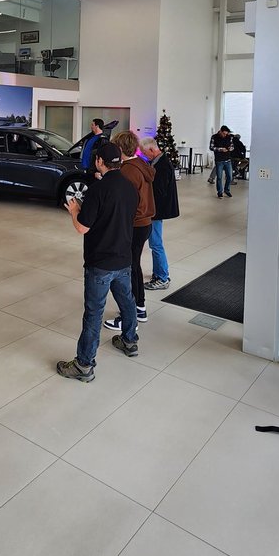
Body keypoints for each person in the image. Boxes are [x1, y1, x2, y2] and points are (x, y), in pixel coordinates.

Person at [57, 142, 139, 381]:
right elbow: (117, 216)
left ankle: (84, 365)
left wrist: (74, 210)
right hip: (124, 259)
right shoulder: (130, 187)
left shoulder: (97, 190)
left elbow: (83, 227)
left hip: (100, 262)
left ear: (100, 162)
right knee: (127, 302)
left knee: (94, 313)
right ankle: (129, 341)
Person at [104, 129, 155, 333]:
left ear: (119, 148)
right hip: (144, 224)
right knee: (134, 267)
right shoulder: (141, 164)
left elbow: (128, 202)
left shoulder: (128, 171)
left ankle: (129, 315)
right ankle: (139, 308)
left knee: (127, 270)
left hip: (134, 225)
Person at [140, 136, 179, 290]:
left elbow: (159, 191)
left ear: (152, 149)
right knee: (154, 243)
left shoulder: (162, 165)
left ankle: (162, 277)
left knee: (156, 244)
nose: (144, 155)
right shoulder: (157, 161)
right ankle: (159, 273)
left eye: (145, 153)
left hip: (157, 210)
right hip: (155, 209)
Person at [210, 125, 234, 198]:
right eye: (224, 133)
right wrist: (221, 149)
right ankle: (220, 192)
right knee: (219, 177)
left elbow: (232, 146)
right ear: (220, 131)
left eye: (226, 134)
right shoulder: (214, 137)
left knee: (230, 177)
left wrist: (231, 148)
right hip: (219, 160)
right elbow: (211, 147)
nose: (225, 135)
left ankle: (227, 190)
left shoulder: (229, 137)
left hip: (228, 159)